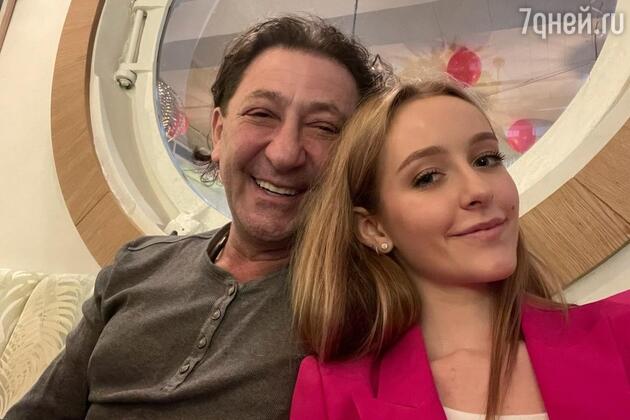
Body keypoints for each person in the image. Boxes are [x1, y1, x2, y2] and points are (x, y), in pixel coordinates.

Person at [6, 16, 387, 420]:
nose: (284, 153)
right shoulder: (137, 264)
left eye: (324, 128)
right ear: (219, 133)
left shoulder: (366, 305)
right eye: (261, 114)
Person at [289, 77, 630, 420]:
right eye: (428, 177)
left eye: (486, 159)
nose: (478, 189)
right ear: (374, 228)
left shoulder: (621, 332)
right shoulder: (334, 391)